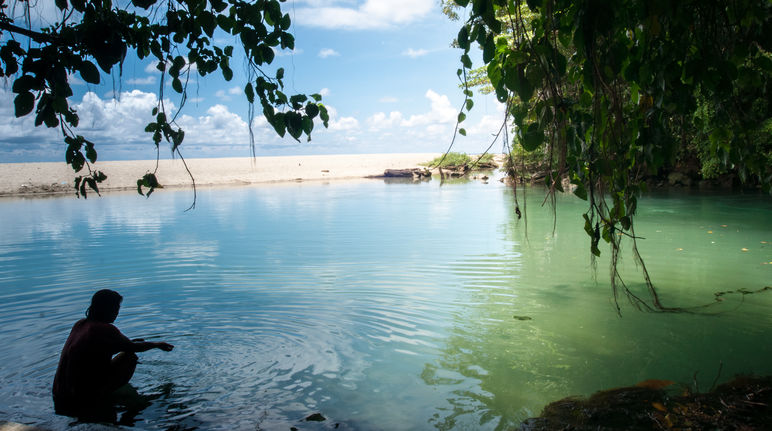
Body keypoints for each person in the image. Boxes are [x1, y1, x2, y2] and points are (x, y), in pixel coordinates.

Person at [52, 289, 174, 420]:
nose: (117, 313)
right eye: (115, 308)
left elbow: (105, 346)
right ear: (105, 309)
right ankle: (125, 410)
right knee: (129, 357)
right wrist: (157, 344)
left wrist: (130, 345)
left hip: (59, 392)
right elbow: (133, 348)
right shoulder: (104, 329)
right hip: (80, 397)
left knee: (126, 352)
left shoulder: (81, 324)